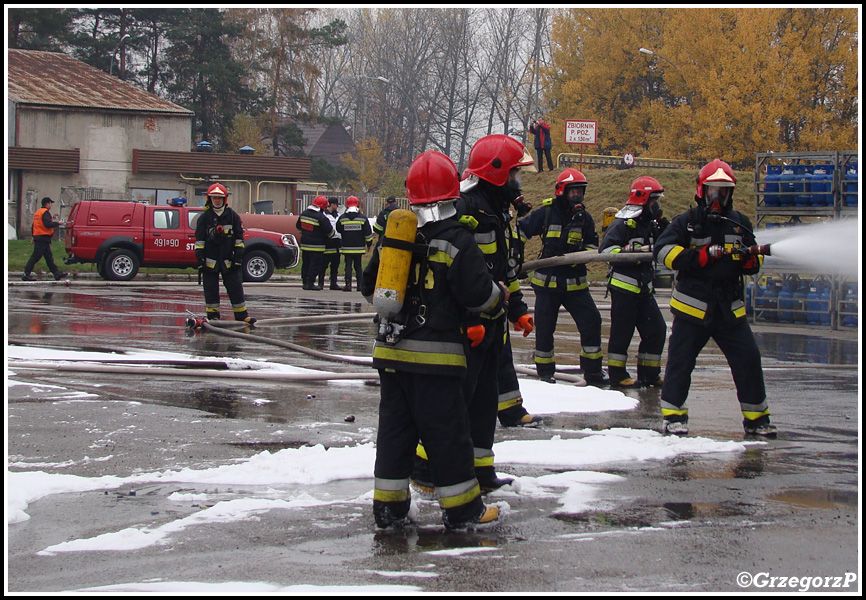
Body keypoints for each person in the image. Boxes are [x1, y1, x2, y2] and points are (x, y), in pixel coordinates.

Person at [360, 150, 505, 529]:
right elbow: (479, 297)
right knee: (448, 435)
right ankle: (463, 511)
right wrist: (500, 295)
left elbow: (366, 286)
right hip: (436, 361)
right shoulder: (457, 238)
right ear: (452, 192)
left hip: (391, 354)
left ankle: (388, 510)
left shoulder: (398, 234)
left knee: (395, 433)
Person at [413, 134, 536, 494]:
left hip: (493, 320)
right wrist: (468, 320)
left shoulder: (496, 209)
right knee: (456, 404)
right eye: (515, 174)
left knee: (484, 402)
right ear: (497, 173)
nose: (518, 182)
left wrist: (518, 310)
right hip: (468, 326)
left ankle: (482, 471)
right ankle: (425, 468)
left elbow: (502, 267)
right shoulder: (465, 207)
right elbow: (456, 271)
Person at [653, 159, 776, 438]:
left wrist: (749, 262)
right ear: (701, 190)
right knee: (680, 362)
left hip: (729, 310)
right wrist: (698, 257)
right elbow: (662, 252)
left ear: (730, 193)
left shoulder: (740, 224)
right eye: (712, 191)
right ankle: (674, 418)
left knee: (748, 360)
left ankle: (757, 419)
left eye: (723, 192)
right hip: (692, 309)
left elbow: (754, 262)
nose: (717, 198)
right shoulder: (687, 223)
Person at [518, 168, 606, 385]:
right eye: (573, 191)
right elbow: (521, 230)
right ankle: (545, 373)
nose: (577, 196)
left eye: (580, 191)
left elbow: (592, 247)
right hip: (547, 285)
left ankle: (593, 373)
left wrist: (578, 257)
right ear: (561, 191)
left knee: (592, 322)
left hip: (575, 285)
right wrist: (516, 257)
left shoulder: (585, 218)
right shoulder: (546, 213)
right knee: (545, 329)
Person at [599, 176, 669, 388]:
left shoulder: (651, 225)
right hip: (624, 288)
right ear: (642, 199)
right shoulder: (622, 224)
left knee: (656, 330)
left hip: (644, 289)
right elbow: (606, 251)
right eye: (654, 201)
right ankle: (618, 376)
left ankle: (649, 374)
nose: (656, 206)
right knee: (622, 334)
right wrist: (631, 252)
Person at [193, 183, 255, 324]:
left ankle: (241, 316)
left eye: (220, 198)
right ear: (210, 199)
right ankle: (213, 317)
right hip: (210, 261)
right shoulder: (204, 218)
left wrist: (238, 258)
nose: (217, 201)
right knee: (211, 290)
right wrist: (200, 261)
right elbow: (199, 241)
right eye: (214, 198)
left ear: (225, 199)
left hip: (229, 260)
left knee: (236, 288)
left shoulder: (233, 217)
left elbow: (239, 239)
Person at [22, 197, 68, 281]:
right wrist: (58, 223)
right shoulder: (45, 213)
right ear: (47, 203)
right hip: (42, 238)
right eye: (50, 203)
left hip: (40, 237)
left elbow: (34, 226)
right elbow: (47, 224)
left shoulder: (37, 213)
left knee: (49, 257)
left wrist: (33, 236)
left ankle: (56, 274)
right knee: (35, 257)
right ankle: (26, 274)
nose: (51, 205)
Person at [336, 196, 373, 292]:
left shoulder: (342, 218)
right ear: (357, 204)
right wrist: (369, 244)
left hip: (347, 247)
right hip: (359, 247)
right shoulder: (363, 218)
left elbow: (338, 229)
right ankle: (359, 286)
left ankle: (348, 285)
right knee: (358, 267)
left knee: (348, 266)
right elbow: (368, 233)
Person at [297, 195, 334, 290]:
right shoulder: (321, 218)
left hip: (305, 245)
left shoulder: (304, 214)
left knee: (305, 264)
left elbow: (298, 227)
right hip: (317, 247)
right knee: (315, 265)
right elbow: (330, 233)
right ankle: (310, 283)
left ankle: (305, 282)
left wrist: (306, 234)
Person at [319, 197, 342, 290]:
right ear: (332, 204)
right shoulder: (323, 215)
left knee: (335, 265)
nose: (337, 206)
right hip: (327, 241)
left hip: (337, 242)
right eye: (336, 205)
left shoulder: (339, 215)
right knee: (323, 265)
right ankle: (321, 283)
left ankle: (333, 283)